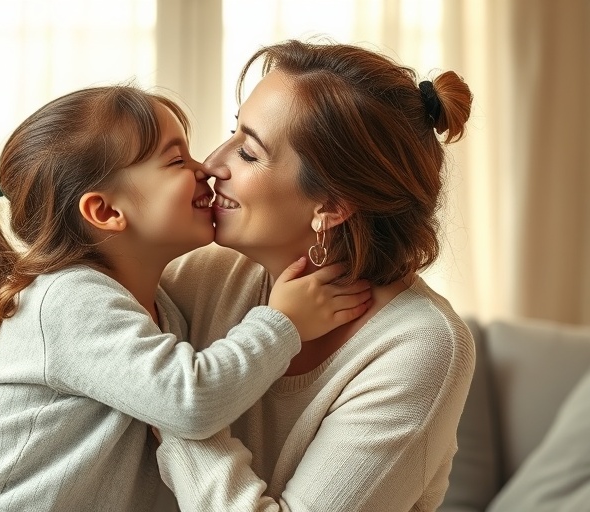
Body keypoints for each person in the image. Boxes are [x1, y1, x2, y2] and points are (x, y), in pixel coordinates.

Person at [0, 84, 371, 512]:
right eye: (177, 159)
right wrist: (281, 324)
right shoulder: (67, 299)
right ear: (106, 211)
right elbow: (189, 403)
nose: (207, 167)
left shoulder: (162, 310)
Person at [155, 39, 477, 511]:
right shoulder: (208, 275)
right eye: (232, 133)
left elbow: (159, 398)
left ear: (331, 205)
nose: (210, 164)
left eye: (248, 153)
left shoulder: (421, 346)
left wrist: (167, 404)